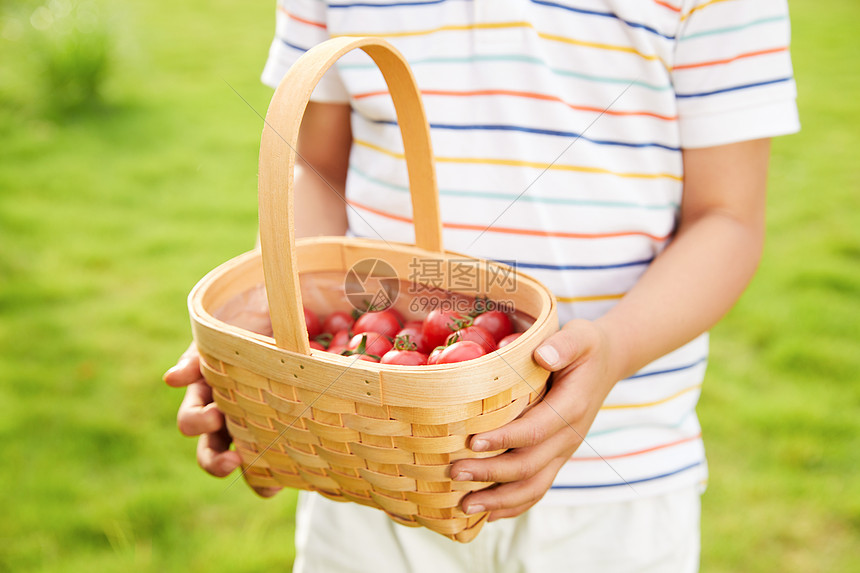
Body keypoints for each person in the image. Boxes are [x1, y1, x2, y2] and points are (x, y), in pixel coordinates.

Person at [165, 0, 799, 570]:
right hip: (373, 452)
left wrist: (613, 352)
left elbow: (728, 216)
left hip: (614, 478)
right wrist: (270, 342)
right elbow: (317, 167)